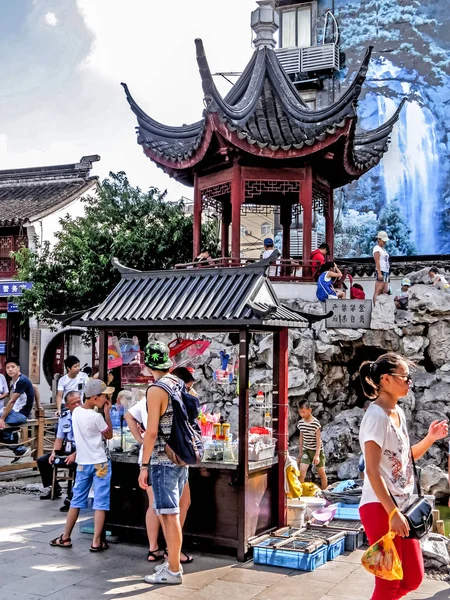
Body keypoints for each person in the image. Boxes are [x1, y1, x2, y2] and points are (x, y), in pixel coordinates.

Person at [358, 353, 448, 600]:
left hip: (404, 507)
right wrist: (392, 512)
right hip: (381, 507)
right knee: (389, 581)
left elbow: (405, 458)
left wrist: (430, 439)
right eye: (405, 377)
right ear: (385, 379)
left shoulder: (396, 412)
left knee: (413, 577)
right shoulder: (376, 416)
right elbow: (372, 470)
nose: (410, 382)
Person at [124, 367, 193, 565]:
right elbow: (151, 432)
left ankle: (163, 552)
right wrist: (144, 460)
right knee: (165, 510)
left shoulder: (157, 392)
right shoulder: (159, 392)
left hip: (164, 458)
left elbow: (130, 417)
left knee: (166, 507)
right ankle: (169, 558)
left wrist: (140, 440)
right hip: (161, 458)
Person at [138, 342, 189, 585]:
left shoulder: (155, 390)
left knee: (169, 516)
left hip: (162, 459)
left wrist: (144, 465)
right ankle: (172, 564)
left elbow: (150, 432)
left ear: (148, 364)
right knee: (172, 514)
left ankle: (174, 570)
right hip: (180, 458)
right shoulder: (177, 383)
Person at [50, 379, 114, 552]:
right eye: (104, 397)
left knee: (76, 501)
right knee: (100, 502)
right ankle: (96, 542)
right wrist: (107, 412)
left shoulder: (76, 412)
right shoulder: (96, 417)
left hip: (83, 463)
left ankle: (65, 537)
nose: (106, 399)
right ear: (95, 398)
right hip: (100, 462)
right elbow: (108, 434)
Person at [38, 391, 81, 509]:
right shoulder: (64, 416)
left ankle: (73, 495)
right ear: (67, 405)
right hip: (67, 446)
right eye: (74, 403)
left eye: (79, 401)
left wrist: (74, 454)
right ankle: (54, 488)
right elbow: (59, 438)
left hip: (80, 449)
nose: (78, 405)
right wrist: (54, 453)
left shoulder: (85, 415)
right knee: (43, 460)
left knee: (79, 465)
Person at [0, 357, 35, 462]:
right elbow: (36, 389)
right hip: (15, 412)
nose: (10, 369)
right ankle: (14, 438)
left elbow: (11, 401)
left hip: (21, 414)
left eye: (13, 367)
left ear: (18, 368)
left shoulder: (22, 380)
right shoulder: (16, 380)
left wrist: (2, 419)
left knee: (1, 427)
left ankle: (19, 448)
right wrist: (38, 406)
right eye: (7, 367)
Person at [297, 399, 327, 490]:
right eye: (300, 412)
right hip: (306, 450)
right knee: (302, 472)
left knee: (321, 473)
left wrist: (317, 455)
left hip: (317, 450)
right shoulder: (301, 423)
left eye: (304, 412)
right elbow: (301, 438)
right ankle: (300, 493)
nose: (302, 414)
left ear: (310, 410)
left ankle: (325, 491)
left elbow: (318, 440)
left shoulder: (315, 423)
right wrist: (300, 453)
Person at [373, 231, 390, 305]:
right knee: (378, 290)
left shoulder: (383, 249)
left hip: (386, 271)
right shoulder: (376, 248)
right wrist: (379, 273)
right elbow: (377, 261)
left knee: (385, 290)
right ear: (379, 239)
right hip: (381, 271)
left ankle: (383, 306)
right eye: (383, 240)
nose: (385, 242)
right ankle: (376, 308)